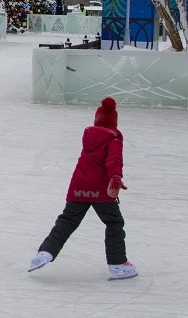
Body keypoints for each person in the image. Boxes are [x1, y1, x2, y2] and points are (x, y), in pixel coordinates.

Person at [28, 97, 137, 280]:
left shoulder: (89, 135)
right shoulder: (114, 137)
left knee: (67, 220)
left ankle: (45, 252)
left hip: (78, 185)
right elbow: (114, 160)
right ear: (114, 121)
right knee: (114, 223)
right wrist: (116, 178)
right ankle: (118, 265)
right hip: (100, 189)